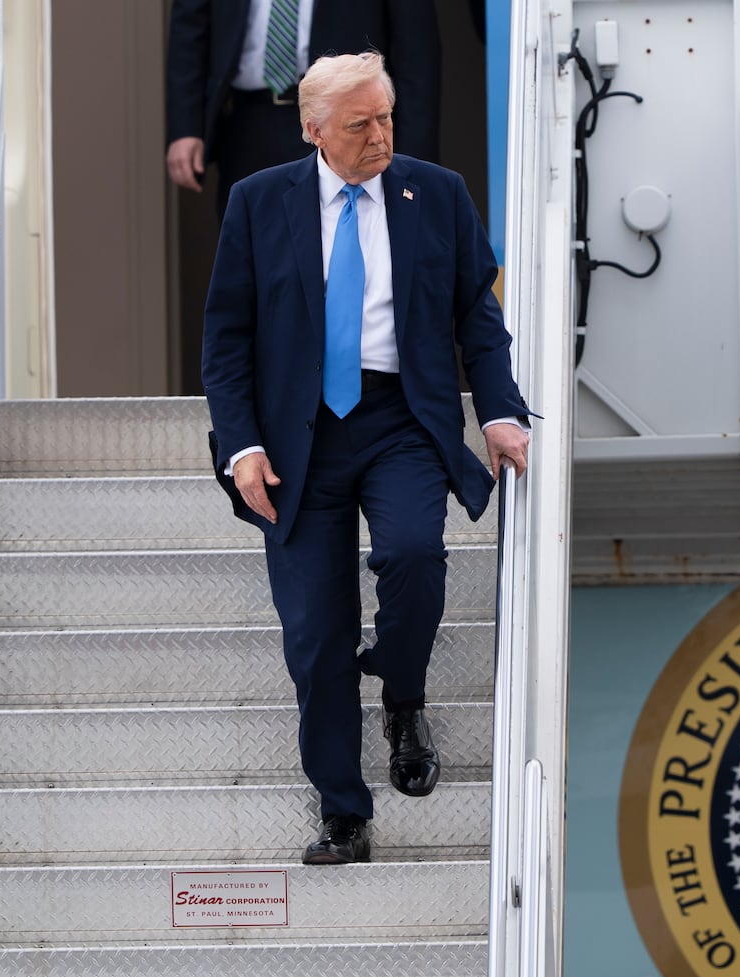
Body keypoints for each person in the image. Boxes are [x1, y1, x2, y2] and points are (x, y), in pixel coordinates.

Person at [202, 52, 531, 865]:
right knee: (316, 637)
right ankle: (343, 810)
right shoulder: (256, 203)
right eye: (361, 125)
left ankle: (403, 694)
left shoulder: (438, 192)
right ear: (315, 131)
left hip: (399, 419)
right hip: (294, 437)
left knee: (416, 555)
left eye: (386, 117)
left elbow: (476, 321)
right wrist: (242, 445)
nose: (381, 135)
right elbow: (226, 340)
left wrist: (498, 412)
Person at [165, 0, 442, 218]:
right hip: (249, 121)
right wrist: (185, 126)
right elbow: (189, 26)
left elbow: (416, 48)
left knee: (345, 247)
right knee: (253, 256)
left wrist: (413, 158)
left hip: (347, 120)